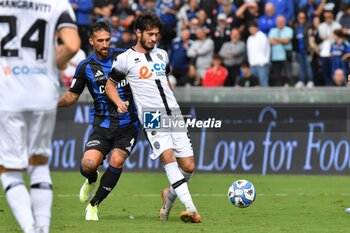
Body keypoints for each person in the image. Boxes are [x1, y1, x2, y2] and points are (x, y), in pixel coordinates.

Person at [105, 11, 202, 223]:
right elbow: (109, 85)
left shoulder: (162, 54)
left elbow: (164, 82)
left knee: (189, 166)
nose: (153, 38)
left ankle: (168, 199)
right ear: (138, 33)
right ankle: (191, 209)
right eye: (149, 34)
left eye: (156, 34)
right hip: (151, 116)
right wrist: (119, 102)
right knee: (169, 159)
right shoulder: (125, 59)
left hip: (173, 112)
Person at [0, 1, 80, 233]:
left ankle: (30, 229)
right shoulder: (57, 3)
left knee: (10, 169)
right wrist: (55, 63)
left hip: (8, 93)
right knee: (39, 163)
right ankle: (42, 228)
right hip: (43, 94)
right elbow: (73, 45)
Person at [58, 21, 139, 221]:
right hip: (102, 126)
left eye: (107, 40)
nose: (105, 44)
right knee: (88, 164)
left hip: (128, 126)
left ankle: (94, 205)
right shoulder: (85, 66)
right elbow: (72, 96)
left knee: (117, 160)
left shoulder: (125, 56)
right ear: (92, 41)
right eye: (100, 41)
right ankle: (91, 179)